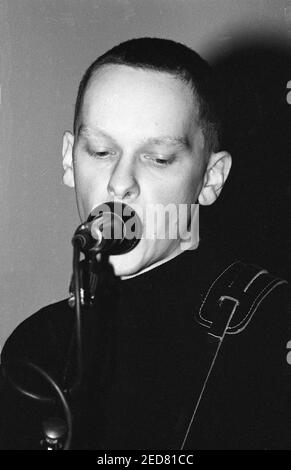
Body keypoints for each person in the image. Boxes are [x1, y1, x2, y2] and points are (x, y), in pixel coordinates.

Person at [0, 37, 290, 450]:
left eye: (158, 158)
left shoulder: (272, 327)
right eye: (101, 151)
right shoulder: (35, 344)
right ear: (69, 160)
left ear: (211, 179)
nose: (120, 183)